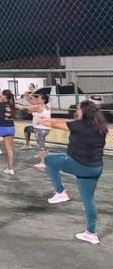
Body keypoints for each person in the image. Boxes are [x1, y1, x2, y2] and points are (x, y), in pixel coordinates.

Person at [41, 99, 108, 245]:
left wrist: (42, 120)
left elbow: (54, 124)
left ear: (83, 111)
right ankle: (91, 233)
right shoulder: (101, 126)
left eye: (78, 109)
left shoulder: (79, 125)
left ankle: (60, 192)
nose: (77, 111)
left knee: (49, 160)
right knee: (88, 199)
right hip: (95, 168)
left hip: (78, 164)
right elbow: (67, 122)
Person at [19, 92, 50, 169]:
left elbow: (26, 107)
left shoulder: (39, 107)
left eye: (39, 98)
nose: (37, 99)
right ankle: (44, 154)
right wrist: (28, 97)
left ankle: (43, 162)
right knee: (28, 130)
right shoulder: (46, 105)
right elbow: (33, 102)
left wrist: (17, 105)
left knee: (40, 146)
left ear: (43, 100)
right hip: (43, 128)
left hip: (41, 129)